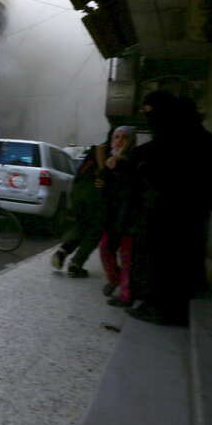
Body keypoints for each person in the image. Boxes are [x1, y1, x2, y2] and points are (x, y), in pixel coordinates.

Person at [128, 90, 212, 325]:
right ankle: (167, 304)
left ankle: (163, 308)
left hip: (171, 210)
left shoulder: (177, 136)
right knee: (181, 256)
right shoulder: (198, 136)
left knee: (166, 259)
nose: (148, 118)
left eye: (150, 112)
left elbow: (162, 166)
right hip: (186, 210)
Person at [50, 143, 106, 278]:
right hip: (93, 194)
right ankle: (76, 264)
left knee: (82, 226)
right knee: (94, 232)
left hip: (79, 192)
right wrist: (103, 173)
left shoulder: (92, 153)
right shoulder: (107, 149)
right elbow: (101, 149)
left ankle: (62, 252)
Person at [96, 126, 138, 307]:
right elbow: (103, 187)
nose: (119, 141)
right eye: (116, 137)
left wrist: (117, 164)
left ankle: (126, 295)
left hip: (129, 217)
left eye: (124, 138)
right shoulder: (110, 161)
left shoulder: (133, 160)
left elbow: (131, 187)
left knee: (127, 255)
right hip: (112, 216)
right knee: (106, 249)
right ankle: (115, 280)